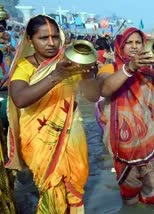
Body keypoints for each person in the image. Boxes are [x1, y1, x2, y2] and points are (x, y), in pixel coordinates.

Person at [6, 14, 99, 213]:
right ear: (30, 40)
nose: (51, 43)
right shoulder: (25, 67)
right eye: (43, 38)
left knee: (75, 188)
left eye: (55, 37)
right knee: (50, 189)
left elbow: (92, 97)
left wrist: (88, 75)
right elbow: (20, 98)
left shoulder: (71, 61)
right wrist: (57, 75)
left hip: (73, 136)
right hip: (39, 139)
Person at [97, 27, 154, 205]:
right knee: (130, 197)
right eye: (129, 43)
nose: (134, 47)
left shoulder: (153, 68)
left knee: (152, 195)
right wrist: (130, 67)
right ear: (121, 46)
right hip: (124, 146)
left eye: (138, 42)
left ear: (145, 45)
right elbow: (104, 89)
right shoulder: (109, 67)